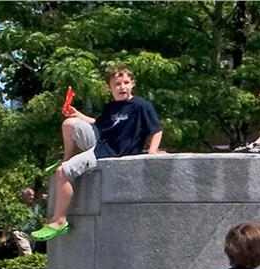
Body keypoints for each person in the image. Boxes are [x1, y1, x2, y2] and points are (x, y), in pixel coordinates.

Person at [31, 64, 163, 241]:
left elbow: (156, 130)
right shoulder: (111, 107)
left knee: (63, 172)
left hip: (110, 153)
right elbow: (97, 124)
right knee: (69, 124)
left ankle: (59, 221)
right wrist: (76, 114)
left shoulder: (141, 106)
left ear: (132, 84)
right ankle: (67, 157)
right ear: (109, 88)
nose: (122, 87)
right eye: (117, 84)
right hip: (101, 144)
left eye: (126, 83)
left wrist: (152, 152)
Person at [6, 188, 46, 255]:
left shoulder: (36, 207)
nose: (32, 197)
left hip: (32, 234)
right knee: (28, 253)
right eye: (29, 195)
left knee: (24, 254)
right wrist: (4, 236)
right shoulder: (17, 207)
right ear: (24, 196)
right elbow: (8, 221)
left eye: (33, 195)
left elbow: (44, 217)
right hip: (20, 232)